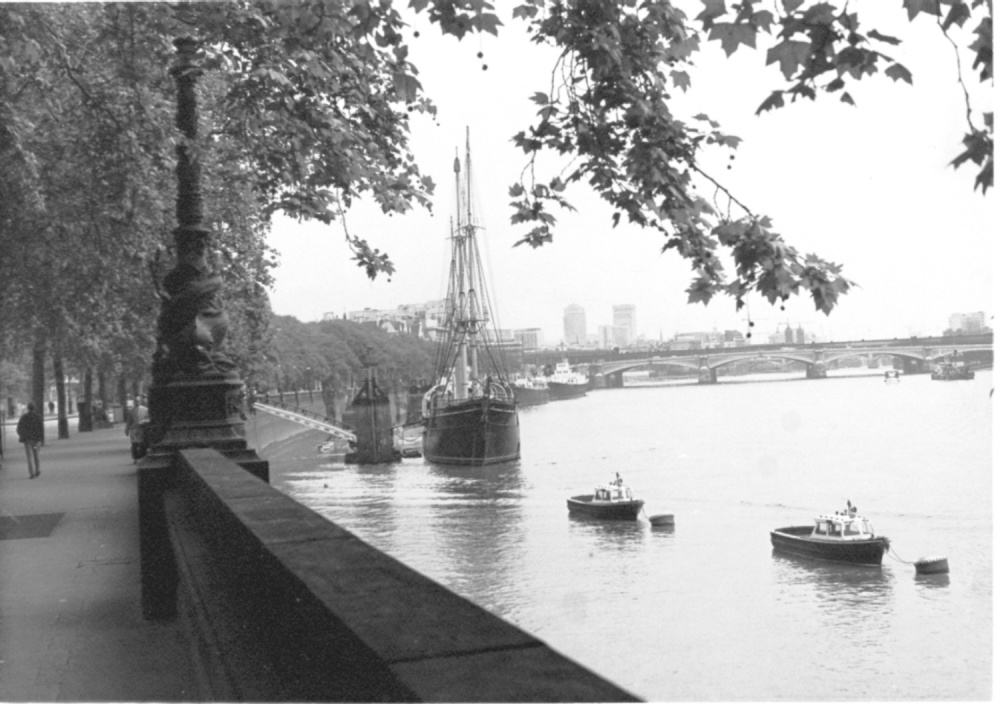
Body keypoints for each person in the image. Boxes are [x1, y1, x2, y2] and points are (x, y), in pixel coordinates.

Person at [16, 402, 44, 479]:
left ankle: (31, 473)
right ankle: (37, 470)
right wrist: (40, 439)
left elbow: (19, 428)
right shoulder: (37, 417)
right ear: (34, 408)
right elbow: (41, 429)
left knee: (29, 456)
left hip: (27, 441)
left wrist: (22, 436)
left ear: (28, 408)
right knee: (35, 455)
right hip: (35, 440)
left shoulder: (23, 417)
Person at [125, 396, 149, 461]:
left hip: (141, 429)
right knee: (134, 444)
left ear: (140, 401)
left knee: (142, 443)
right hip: (134, 429)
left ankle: (142, 456)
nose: (137, 402)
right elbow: (129, 421)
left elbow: (147, 419)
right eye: (136, 401)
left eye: (138, 401)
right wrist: (127, 430)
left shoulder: (145, 410)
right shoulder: (131, 411)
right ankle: (135, 458)